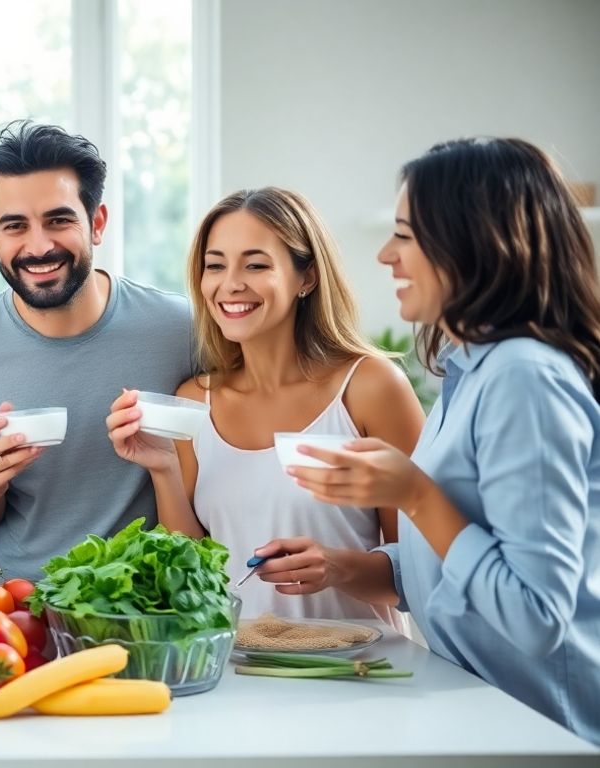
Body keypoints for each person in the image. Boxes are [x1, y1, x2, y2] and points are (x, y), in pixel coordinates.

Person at [270, 138, 600, 744]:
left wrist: (415, 493)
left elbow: (535, 618)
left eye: (406, 234)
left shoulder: (524, 377)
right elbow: (459, 567)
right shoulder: (469, 370)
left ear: (474, 243)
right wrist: (344, 568)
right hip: (484, 716)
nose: (385, 255)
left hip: (549, 731)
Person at [104, 187, 423, 622]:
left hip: (356, 671)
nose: (231, 284)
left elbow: (426, 568)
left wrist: (337, 567)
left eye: (256, 265)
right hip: (236, 671)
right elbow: (198, 572)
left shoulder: (369, 387)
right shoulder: (194, 401)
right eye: (215, 265)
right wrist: (163, 469)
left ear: (306, 277)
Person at [0, 121, 193, 581]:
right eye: (15, 226)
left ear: (97, 223)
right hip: (16, 610)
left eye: (59, 220)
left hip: (149, 607)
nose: (39, 246)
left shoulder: (182, 330)